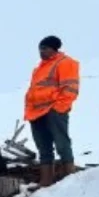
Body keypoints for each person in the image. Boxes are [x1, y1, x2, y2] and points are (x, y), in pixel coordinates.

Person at [24, 35, 80, 186]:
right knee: (43, 147)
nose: (41, 51)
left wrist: (58, 108)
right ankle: (46, 181)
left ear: (54, 49)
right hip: (36, 113)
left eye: (45, 48)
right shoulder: (39, 69)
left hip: (54, 110)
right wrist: (29, 111)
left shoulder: (65, 63)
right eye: (40, 48)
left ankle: (70, 179)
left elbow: (70, 88)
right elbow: (33, 91)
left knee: (62, 143)